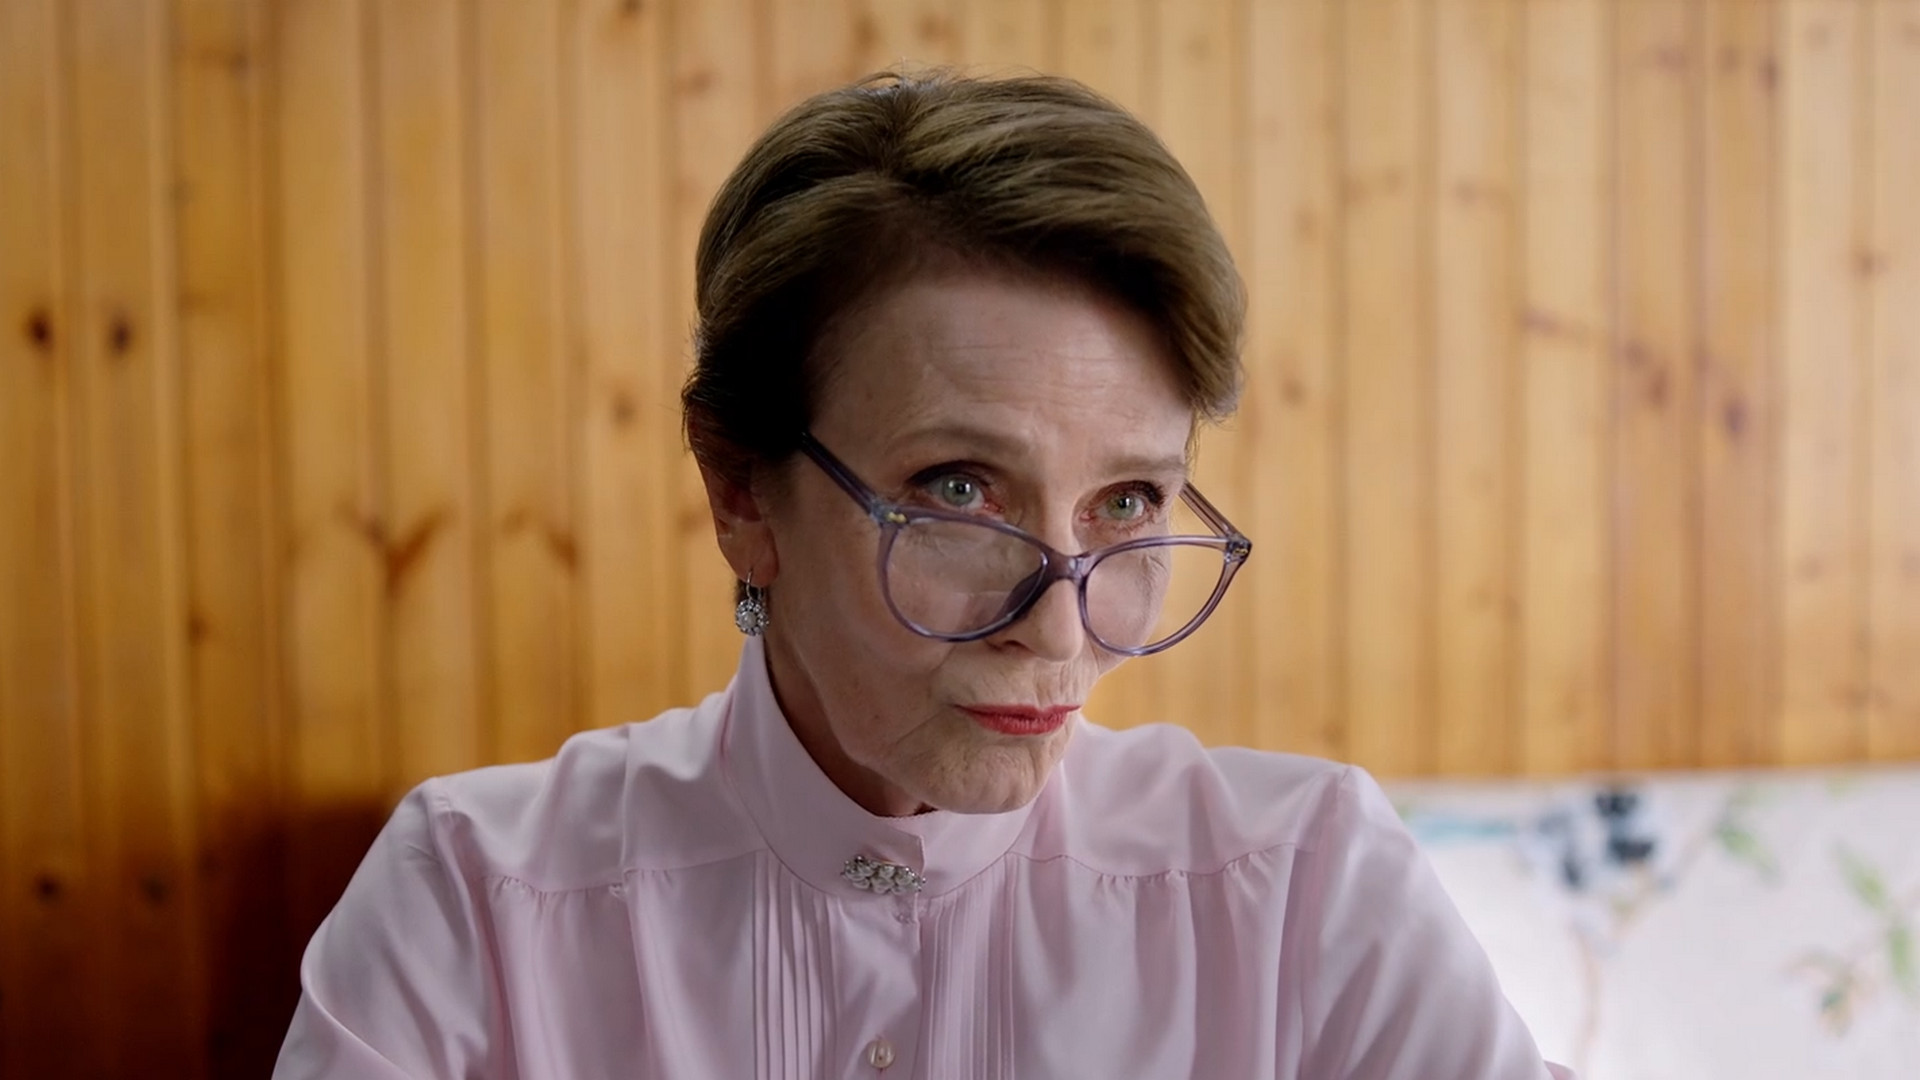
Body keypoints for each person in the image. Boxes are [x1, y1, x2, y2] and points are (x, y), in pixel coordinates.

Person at [273, 70, 1572, 1079]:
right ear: (741, 491)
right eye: (959, 490)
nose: (1058, 627)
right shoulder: (478, 905)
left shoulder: (1303, 890)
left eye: (1128, 502)